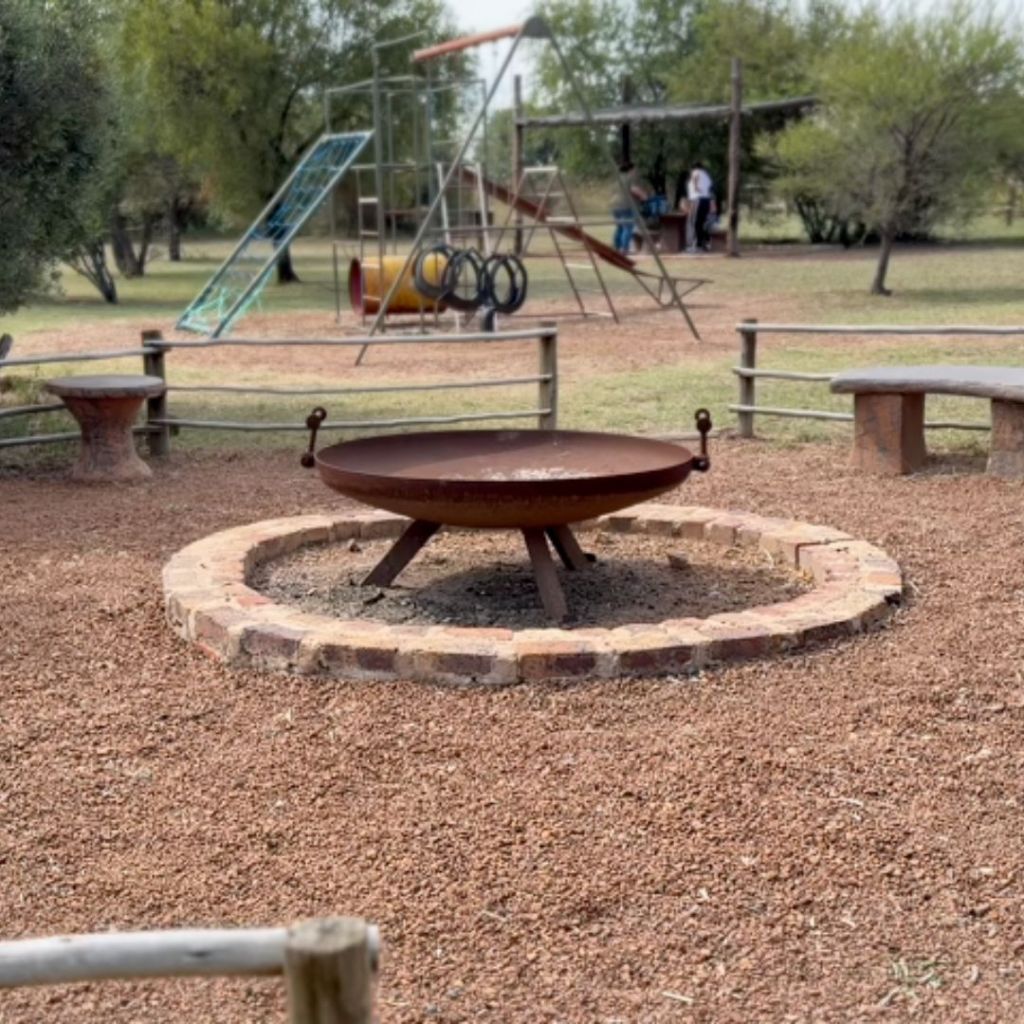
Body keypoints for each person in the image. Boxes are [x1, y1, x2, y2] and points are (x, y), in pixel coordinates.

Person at [610, 161, 649, 255]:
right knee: (627, 227)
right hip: (626, 205)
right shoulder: (630, 178)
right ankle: (624, 249)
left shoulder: (617, 179)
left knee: (619, 227)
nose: (635, 172)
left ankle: (616, 247)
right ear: (631, 170)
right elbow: (634, 189)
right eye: (634, 170)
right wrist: (644, 196)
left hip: (614, 206)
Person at [686, 161, 715, 253]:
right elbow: (710, 189)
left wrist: (695, 187)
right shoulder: (706, 176)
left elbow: (695, 176)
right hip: (705, 200)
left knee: (694, 222)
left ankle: (695, 245)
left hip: (697, 200)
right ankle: (702, 244)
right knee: (701, 223)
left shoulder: (696, 171)